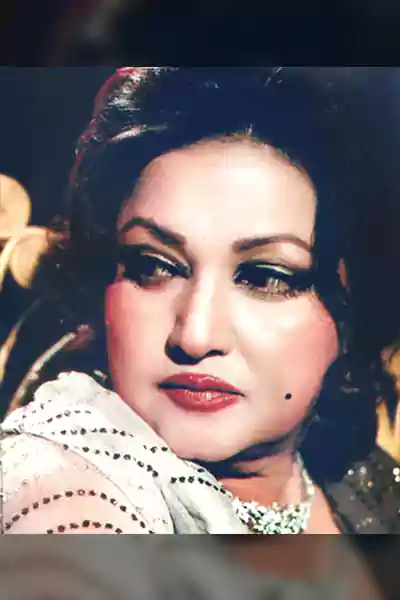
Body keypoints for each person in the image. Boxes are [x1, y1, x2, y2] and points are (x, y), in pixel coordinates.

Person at [1, 67, 399, 538]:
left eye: (265, 277)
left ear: (355, 311)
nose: (195, 335)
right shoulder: (64, 484)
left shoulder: (365, 481)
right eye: (154, 266)